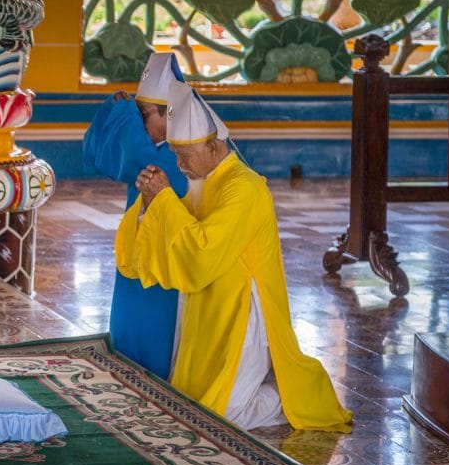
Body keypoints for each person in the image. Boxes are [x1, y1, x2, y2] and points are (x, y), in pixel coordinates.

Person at [115, 81, 352, 431]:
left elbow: (203, 249)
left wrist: (163, 199)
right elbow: (175, 232)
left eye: (185, 156)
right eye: (176, 155)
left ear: (213, 147)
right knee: (192, 402)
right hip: (203, 309)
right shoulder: (204, 181)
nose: (179, 165)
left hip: (242, 313)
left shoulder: (245, 188)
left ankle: (295, 396)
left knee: (222, 416)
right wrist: (149, 204)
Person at [83, 53, 188, 379]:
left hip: (165, 259)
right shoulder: (152, 146)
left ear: (171, 114)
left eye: (145, 116)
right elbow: (99, 153)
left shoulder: (182, 154)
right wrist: (121, 110)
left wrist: (124, 113)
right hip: (136, 248)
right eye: (139, 116)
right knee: (128, 323)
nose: (140, 125)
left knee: (156, 328)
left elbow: (132, 153)